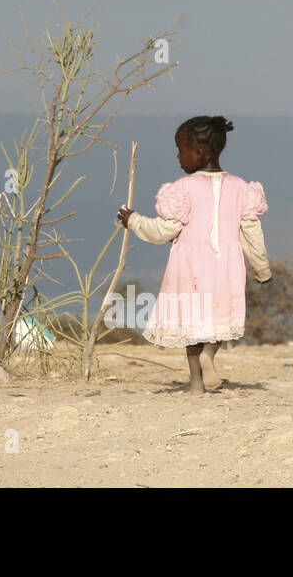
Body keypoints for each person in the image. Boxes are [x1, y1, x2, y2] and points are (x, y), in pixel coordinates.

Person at [116, 115, 271, 393]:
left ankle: (196, 383)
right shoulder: (240, 188)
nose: (178, 156)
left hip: (189, 268)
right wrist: (262, 269)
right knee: (217, 320)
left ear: (198, 153)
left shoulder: (182, 190)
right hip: (226, 266)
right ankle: (210, 355)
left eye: (180, 149)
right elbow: (252, 233)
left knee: (192, 325)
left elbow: (163, 231)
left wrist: (134, 221)